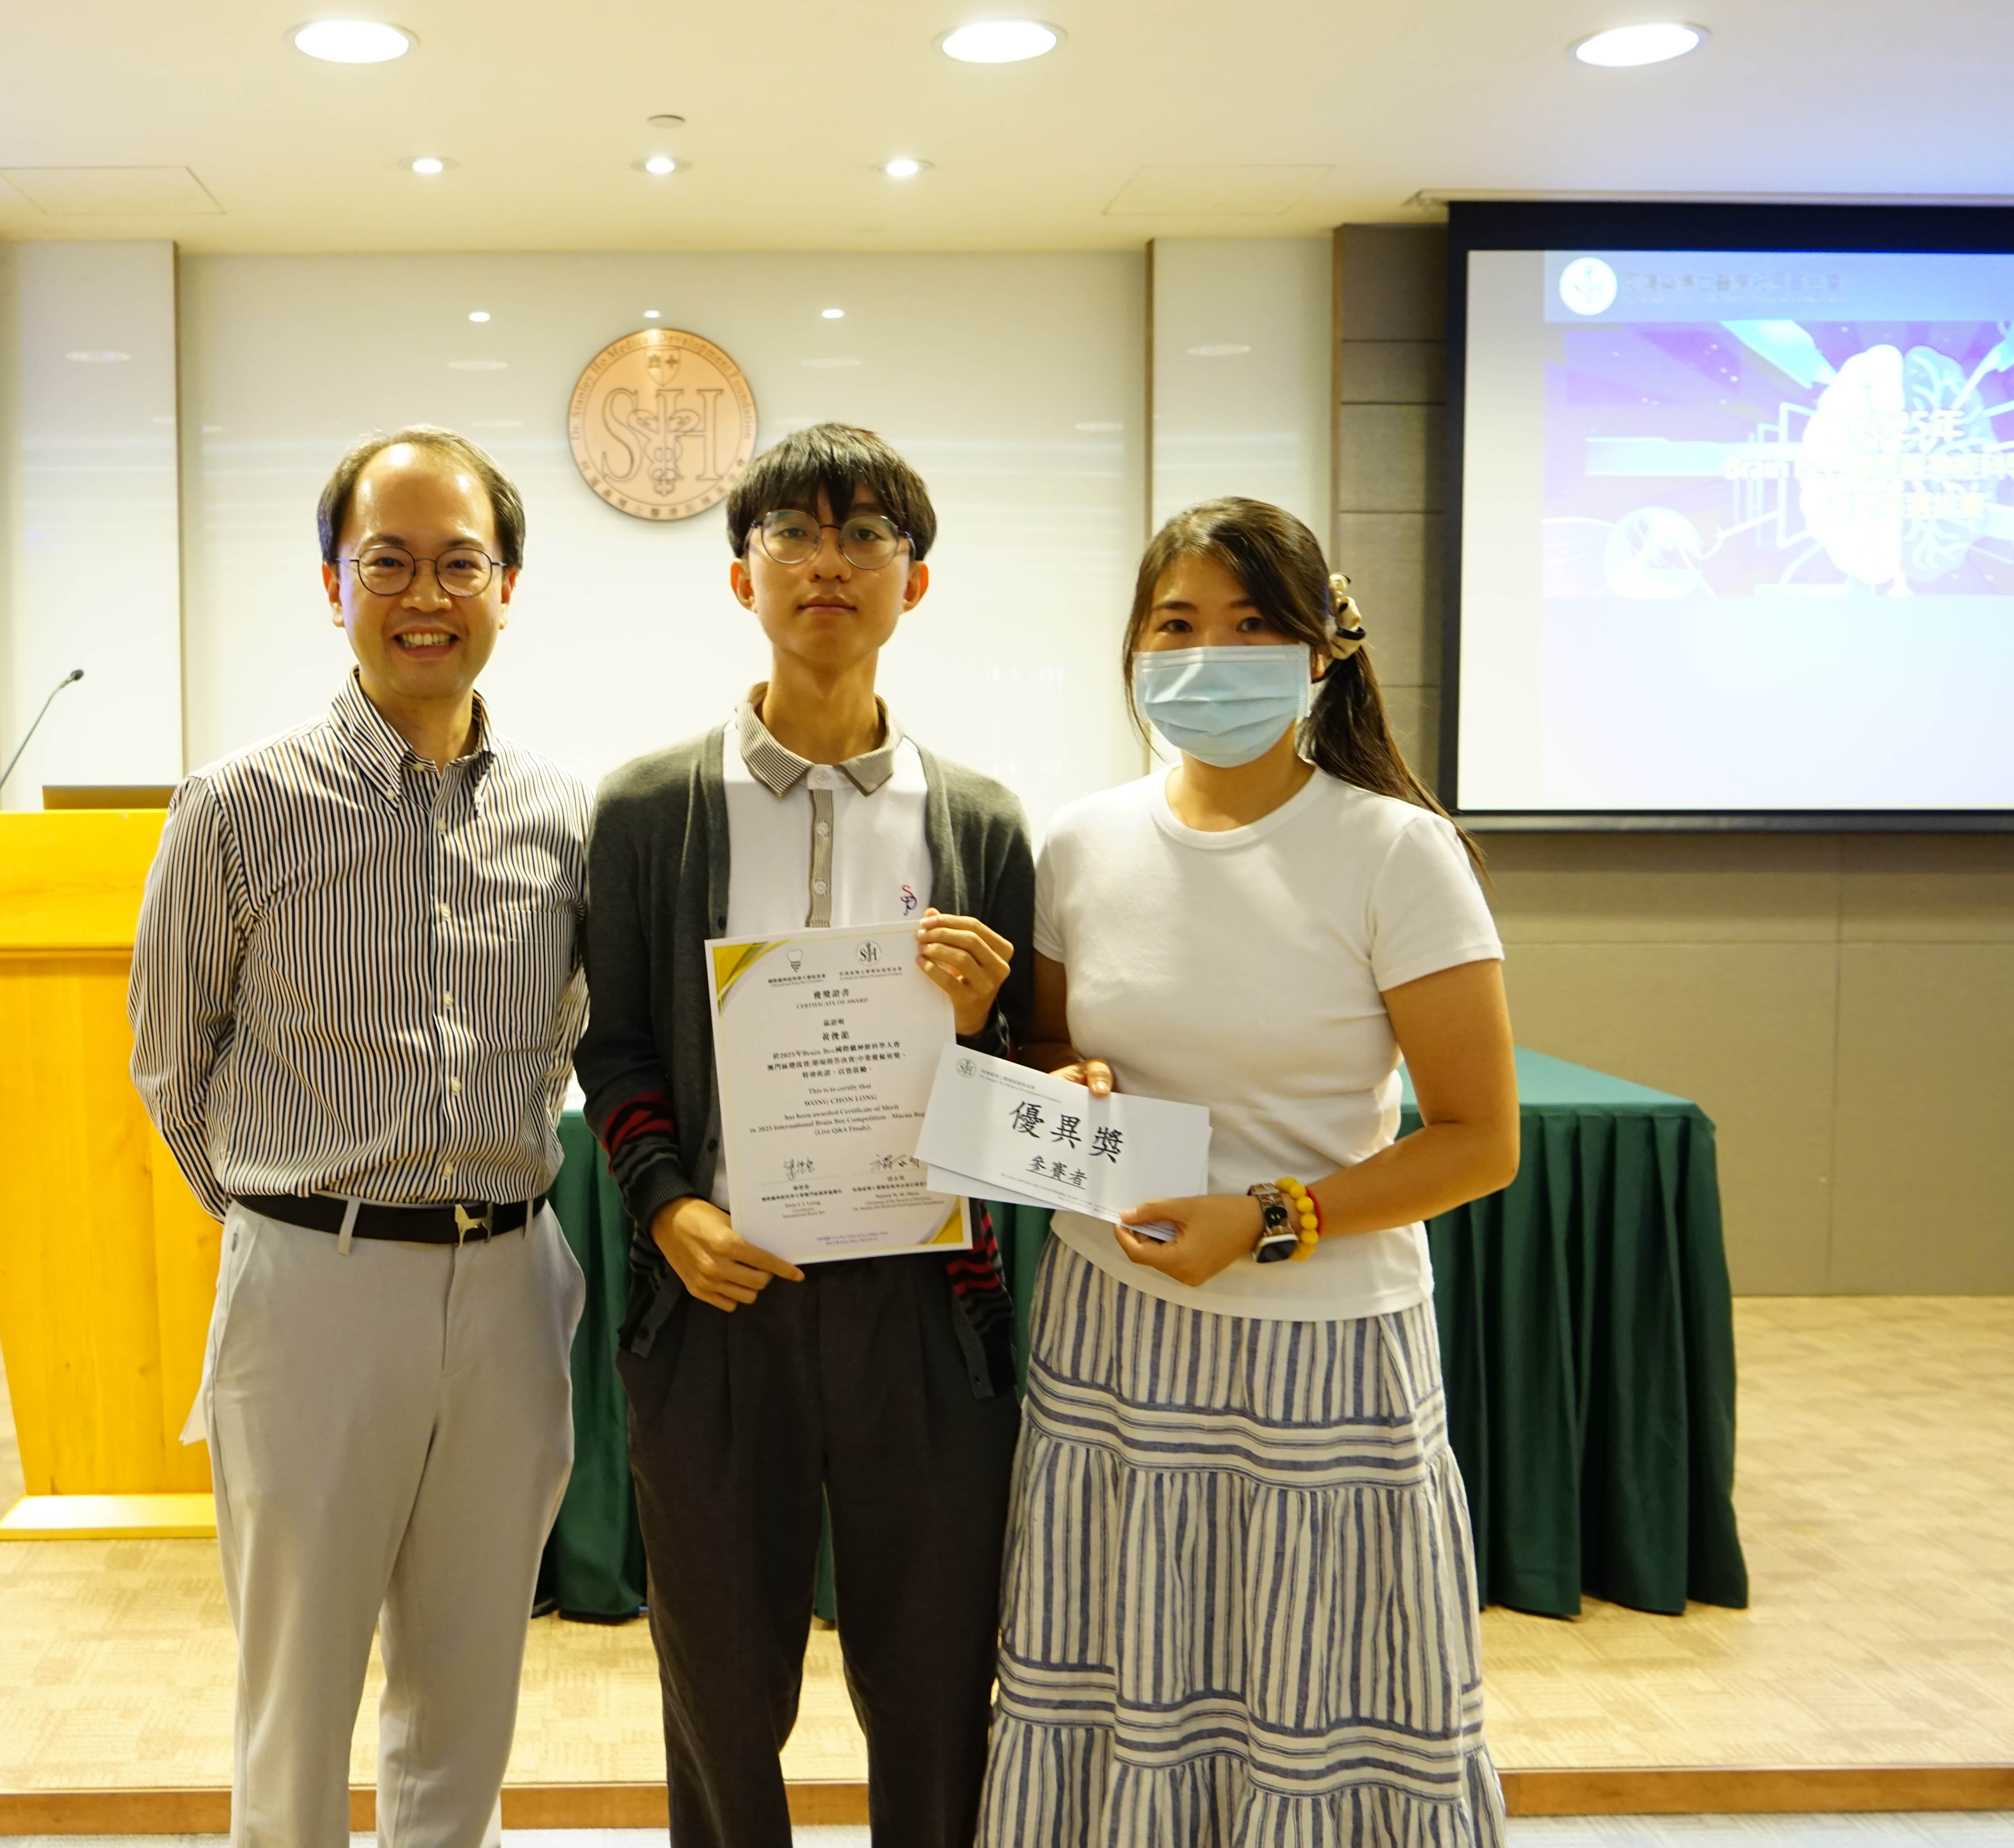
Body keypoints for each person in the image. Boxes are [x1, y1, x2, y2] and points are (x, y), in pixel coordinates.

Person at [978, 497, 1521, 1847]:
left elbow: (1478, 1139)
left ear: (1321, 652)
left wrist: (1273, 1218)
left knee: (1315, 1702)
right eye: (1176, 625)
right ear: (1135, 648)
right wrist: (1064, 1080)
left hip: (1321, 1352)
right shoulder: (1082, 842)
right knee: (1122, 1688)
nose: (1208, 656)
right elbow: (1050, 1045)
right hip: (1114, 1339)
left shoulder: (1395, 850)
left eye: (1251, 624)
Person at [131, 425, 590, 1848]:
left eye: (460, 563)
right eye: (388, 562)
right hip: (311, 1290)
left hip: (509, 1284)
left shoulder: (566, 819)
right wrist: (288, 1232)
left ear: (509, 587)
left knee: (470, 1682)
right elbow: (171, 1063)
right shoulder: (237, 809)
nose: (425, 596)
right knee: (299, 1691)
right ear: (332, 583)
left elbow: (581, 1030)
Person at [578, 423, 1031, 1848]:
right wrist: (669, 1208)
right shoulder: (648, 810)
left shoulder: (981, 822)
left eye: (866, 536)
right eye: (793, 534)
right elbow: (616, 1045)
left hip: (926, 1309)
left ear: (916, 582)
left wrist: (983, 1027)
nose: (828, 564)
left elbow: (1022, 1088)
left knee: (937, 1684)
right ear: (741, 577)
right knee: (721, 1691)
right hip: (721, 1299)